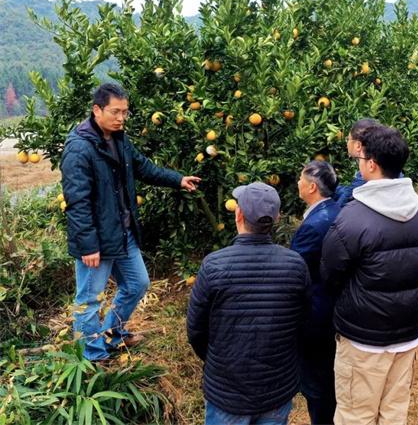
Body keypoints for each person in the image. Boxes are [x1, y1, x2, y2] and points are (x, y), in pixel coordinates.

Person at [60, 83, 200, 362]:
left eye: (125, 112)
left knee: (137, 284)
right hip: (97, 240)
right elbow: (77, 202)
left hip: (122, 233)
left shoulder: (119, 138)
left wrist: (178, 179)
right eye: (115, 111)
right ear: (96, 110)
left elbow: (144, 167)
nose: (121, 118)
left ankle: (111, 335)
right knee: (89, 300)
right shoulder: (79, 149)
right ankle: (93, 357)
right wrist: (88, 245)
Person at [321, 126, 418, 425]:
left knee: (355, 415)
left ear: (371, 164)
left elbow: (330, 273)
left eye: (361, 158)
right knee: (394, 411)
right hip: (407, 334)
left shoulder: (353, 217)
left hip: (364, 339)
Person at [187, 182, 311, 425]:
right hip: (276, 388)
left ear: (239, 214)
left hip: (227, 391)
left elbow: (196, 331)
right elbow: (303, 324)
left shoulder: (214, 266)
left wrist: (219, 359)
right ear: (275, 218)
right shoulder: (295, 265)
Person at [291, 161, 341, 425]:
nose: (297, 183)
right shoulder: (335, 209)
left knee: (317, 383)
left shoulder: (314, 225)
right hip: (335, 308)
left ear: (311, 187)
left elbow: (298, 271)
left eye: (301, 179)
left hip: (317, 314)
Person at [333, 118, 379, 207]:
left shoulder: (368, 174)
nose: (347, 143)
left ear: (358, 145)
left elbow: (341, 208)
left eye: (348, 139)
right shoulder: (388, 166)